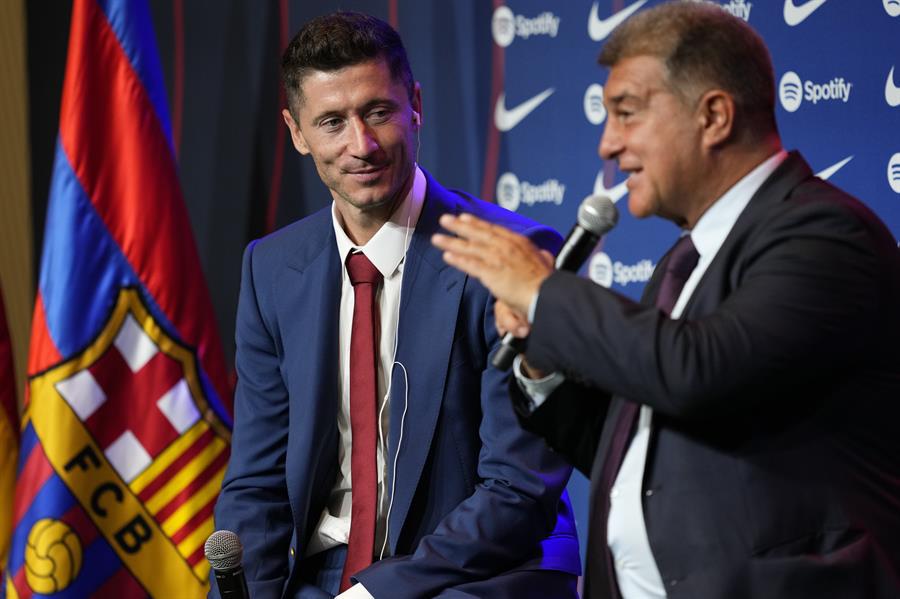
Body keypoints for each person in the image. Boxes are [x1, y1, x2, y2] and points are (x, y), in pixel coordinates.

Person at [432, 3, 900, 598]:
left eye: (626, 114)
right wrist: (544, 364)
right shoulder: (686, 259)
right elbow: (630, 442)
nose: (607, 144)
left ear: (714, 116)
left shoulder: (826, 236)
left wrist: (546, 291)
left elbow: (697, 371)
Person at [212, 11, 581, 599]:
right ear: (297, 132)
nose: (361, 145)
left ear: (415, 103)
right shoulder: (271, 269)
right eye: (332, 122)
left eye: (377, 112)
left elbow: (518, 488)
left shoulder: (510, 256)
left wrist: (374, 594)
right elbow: (256, 484)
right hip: (324, 575)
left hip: (480, 573)